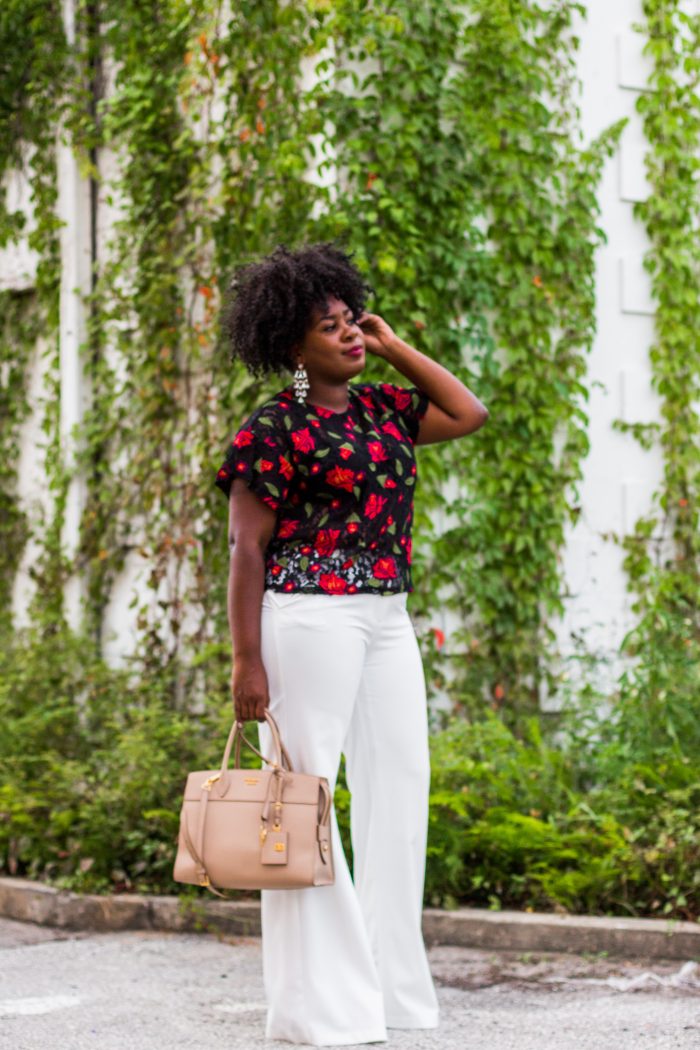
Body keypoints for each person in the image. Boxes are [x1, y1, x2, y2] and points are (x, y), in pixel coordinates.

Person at [214, 242, 488, 1046]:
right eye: (328, 328)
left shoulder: (379, 411)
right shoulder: (274, 428)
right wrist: (246, 658)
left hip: (384, 621)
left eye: (349, 320)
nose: (348, 336)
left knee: (400, 794)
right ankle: (321, 1009)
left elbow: (468, 413)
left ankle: (393, 996)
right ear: (291, 348)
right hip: (306, 620)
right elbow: (246, 552)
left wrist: (396, 344)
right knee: (303, 809)